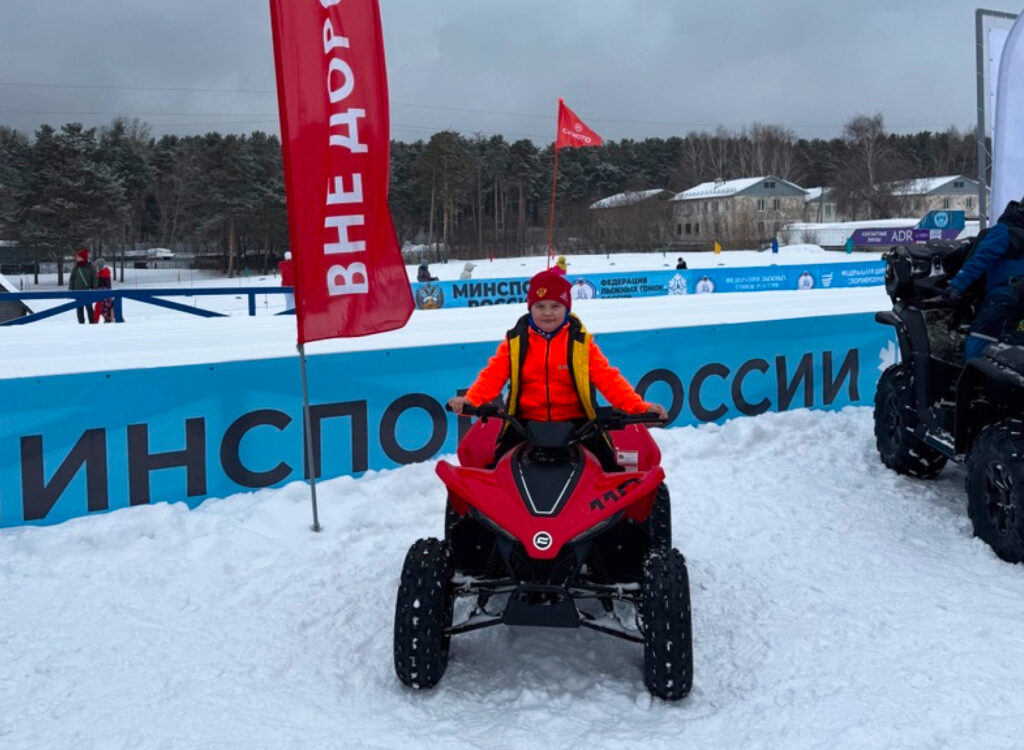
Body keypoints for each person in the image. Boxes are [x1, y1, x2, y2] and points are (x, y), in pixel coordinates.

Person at [447, 270, 667, 470]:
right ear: (530, 307)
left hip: (578, 423)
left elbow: (609, 379)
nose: (548, 313)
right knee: (496, 471)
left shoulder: (580, 344)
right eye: (540, 306)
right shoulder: (516, 341)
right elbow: (493, 375)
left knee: (611, 470)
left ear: (567, 308)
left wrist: (639, 407)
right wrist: (472, 400)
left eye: (555, 306)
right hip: (524, 424)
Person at [944, 197, 1024, 359]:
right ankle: (972, 378)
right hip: (1005, 295)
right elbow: (981, 258)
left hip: (1016, 299)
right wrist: (958, 285)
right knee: (981, 338)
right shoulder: (1006, 231)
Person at [68, 247, 97, 324]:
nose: (77, 258)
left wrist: (94, 289)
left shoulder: (91, 267)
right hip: (78, 292)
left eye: (78, 257)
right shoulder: (76, 267)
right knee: (79, 308)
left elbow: (95, 279)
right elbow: (72, 279)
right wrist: (71, 290)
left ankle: (92, 323)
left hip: (88, 292)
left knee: (89, 308)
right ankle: (81, 323)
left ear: (83, 258)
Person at [93, 259, 114, 323]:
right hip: (105, 294)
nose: (96, 268)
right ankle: (108, 318)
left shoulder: (103, 272)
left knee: (99, 307)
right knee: (104, 308)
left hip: (104, 294)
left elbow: (100, 284)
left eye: (97, 266)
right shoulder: (103, 272)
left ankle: (96, 322)